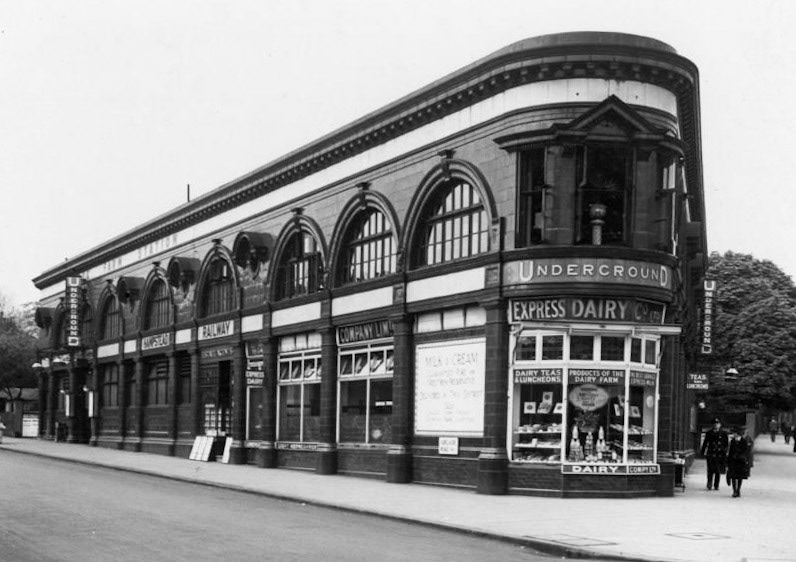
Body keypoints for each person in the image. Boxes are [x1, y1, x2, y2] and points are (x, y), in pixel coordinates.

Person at [701, 417, 729, 491]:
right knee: (710, 470)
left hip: (719, 454)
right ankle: (709, 483)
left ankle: (716, 485)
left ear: (720, 425)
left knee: (717, 471)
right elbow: (705, 443)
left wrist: (724, 452)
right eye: (715, 424)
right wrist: (703, 452)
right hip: (711, 453)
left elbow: (726, 444)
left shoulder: (723, 433)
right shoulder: (709, 433)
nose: (716, 425)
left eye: (717, 424)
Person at [726, 426, 751, 497]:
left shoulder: (743, 441)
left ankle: (738, 490)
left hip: (740, 462)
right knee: (733, 477)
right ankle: (734, 490)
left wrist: (742, 458)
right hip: (733, 462)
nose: (734, 434)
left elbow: (745, 451)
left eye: (734, 433)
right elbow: (730, 451)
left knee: (740, 477)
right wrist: (728, 461)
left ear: (738, 433)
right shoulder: (732, 441)